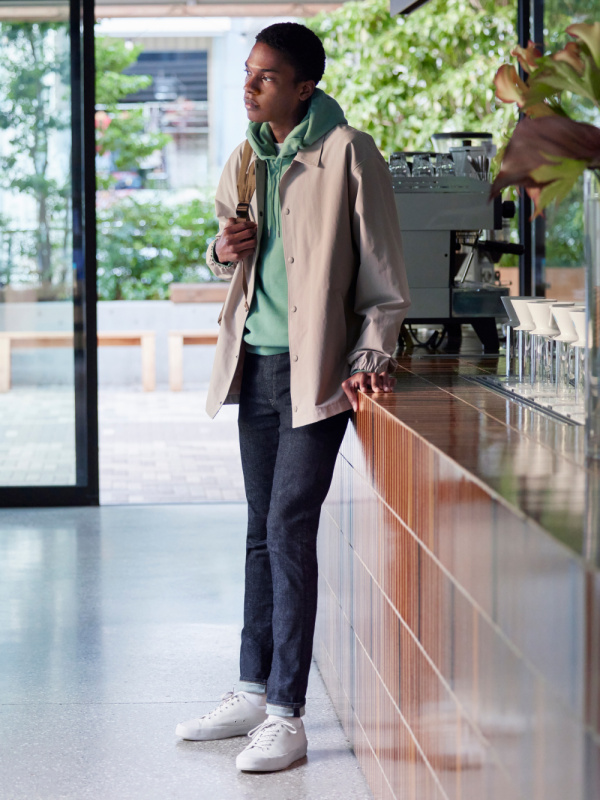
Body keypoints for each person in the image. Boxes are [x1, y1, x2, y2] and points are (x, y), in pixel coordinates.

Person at [176, 21, 410, 773]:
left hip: (317, 375)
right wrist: (222, 249)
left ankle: (286, 712)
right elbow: (226, 246)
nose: (249, 88)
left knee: (287, 524)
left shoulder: (348, 153)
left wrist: (372, 351)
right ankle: (251, 685)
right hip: (258, 364)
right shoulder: (250, 155)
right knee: (258, 529)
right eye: (248, 73)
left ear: (304, 86)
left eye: (265, 77)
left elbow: (382, 274)